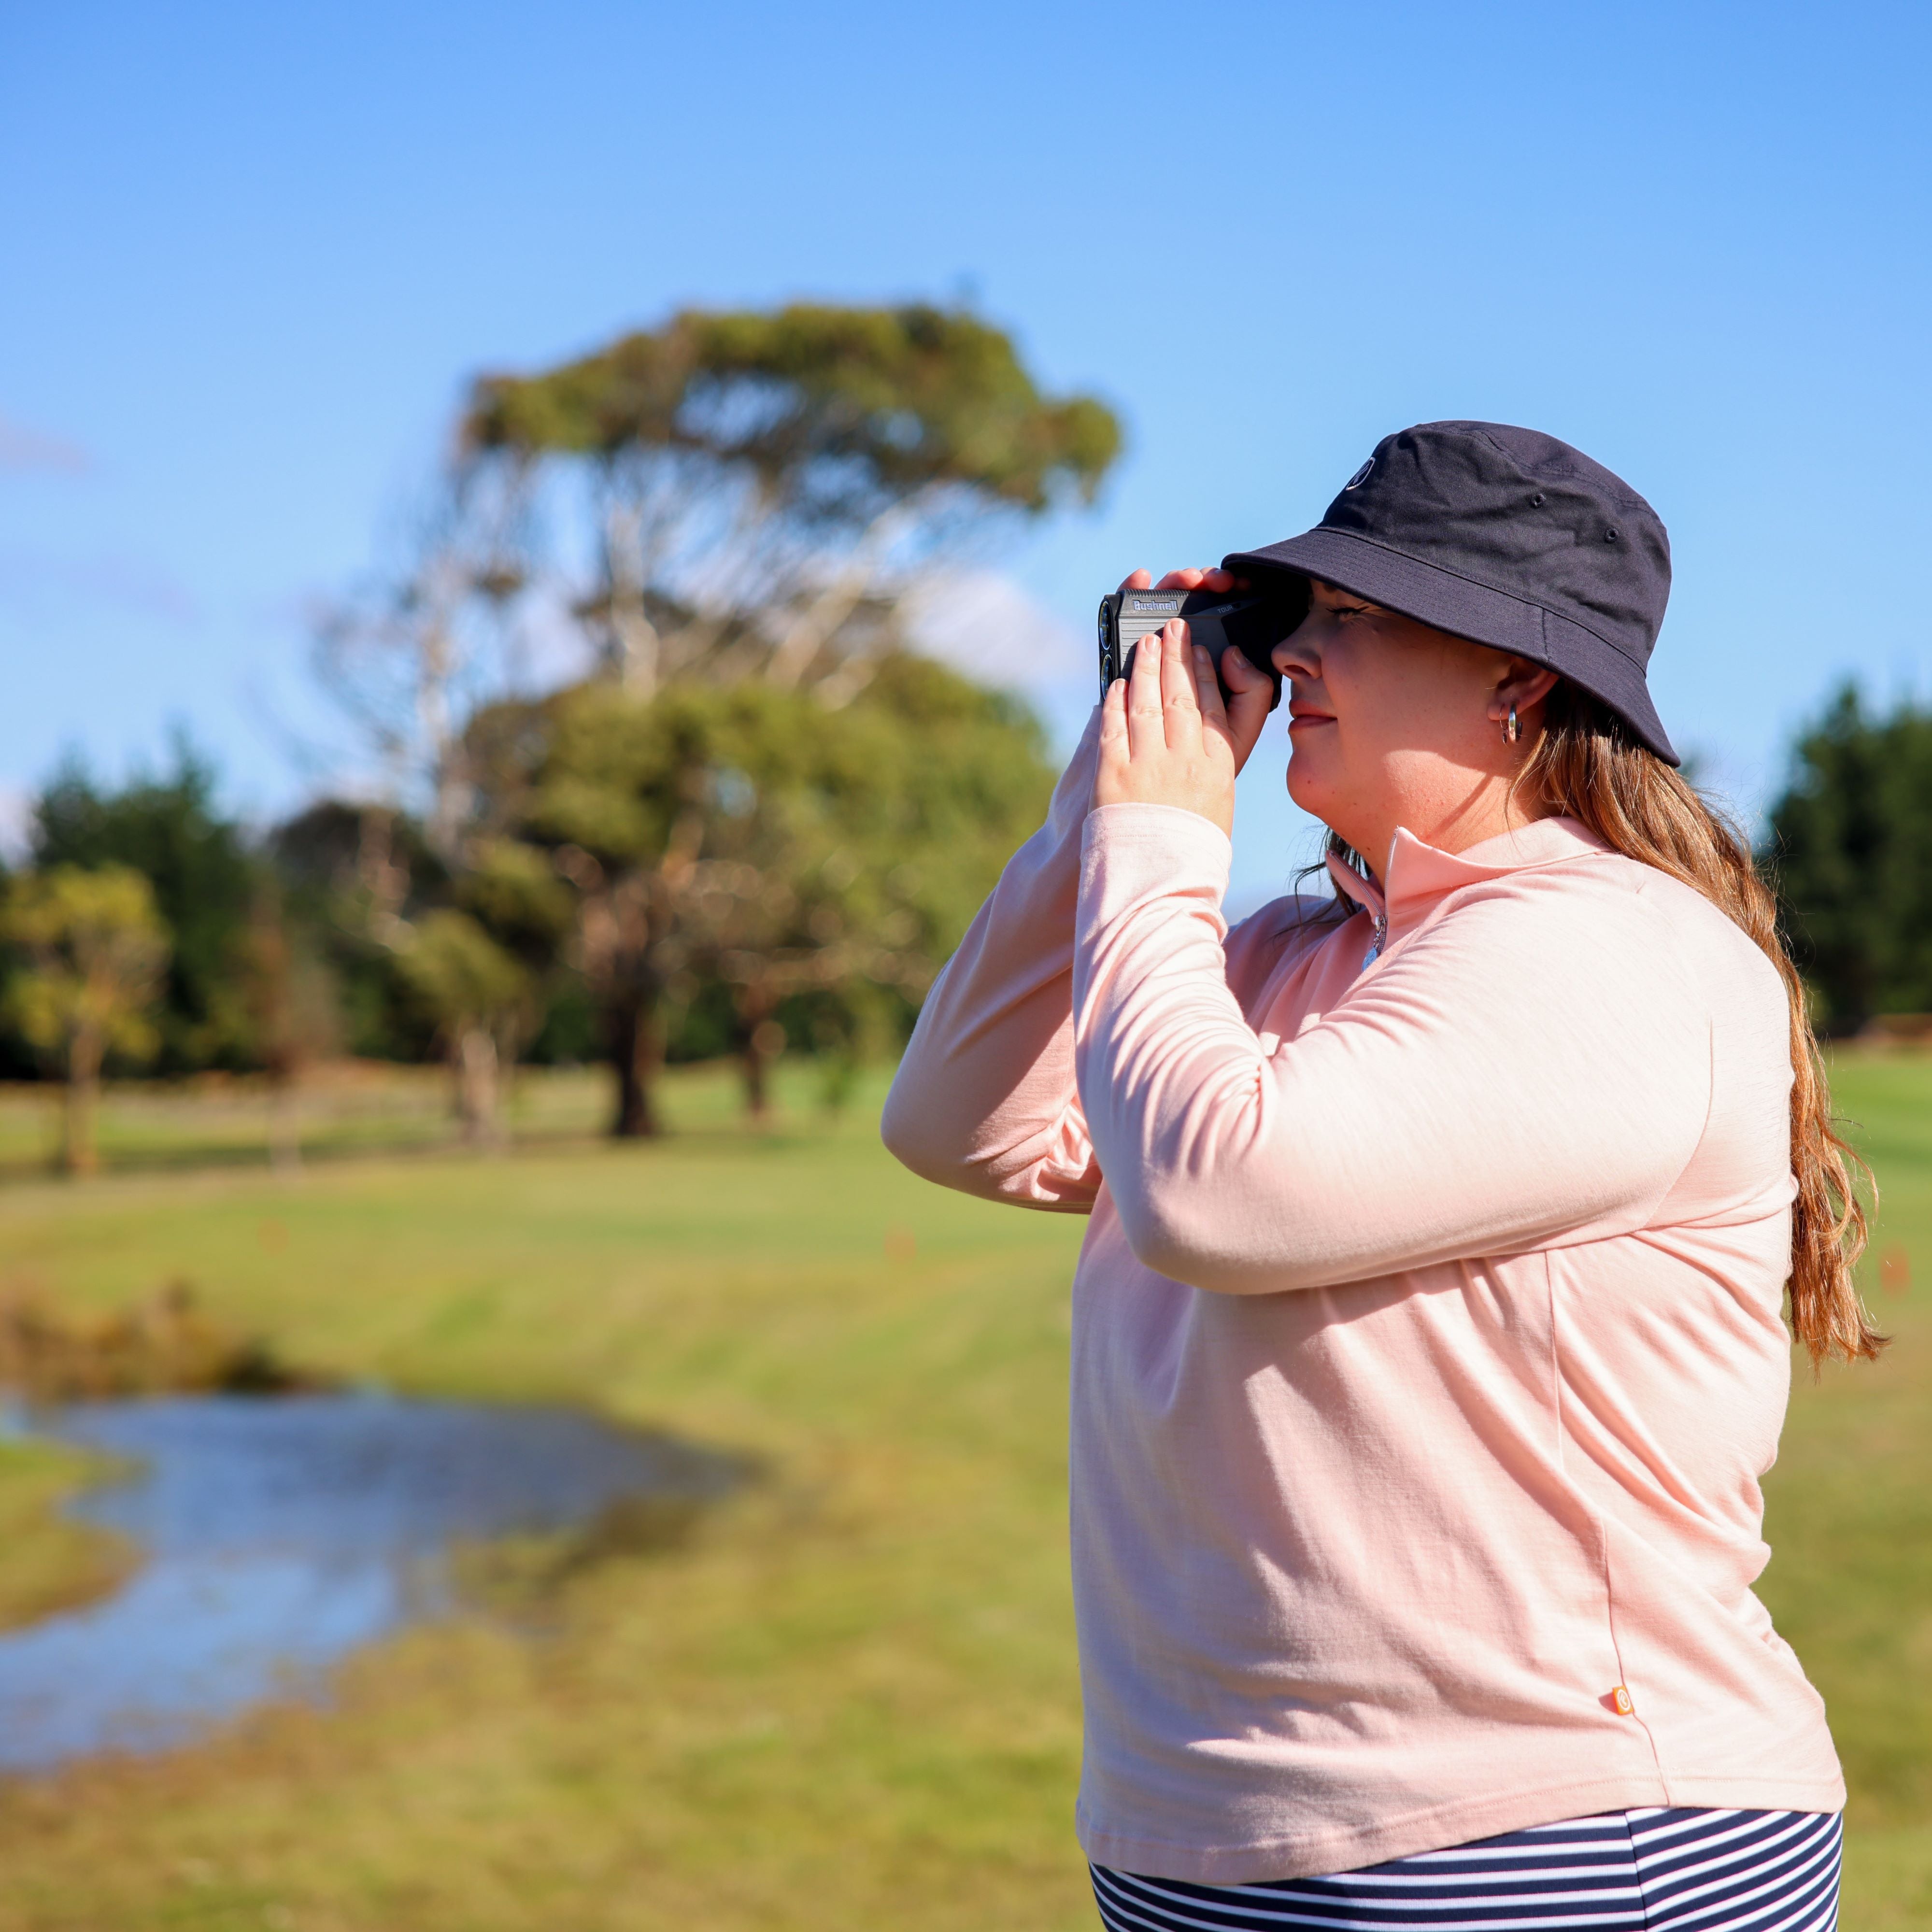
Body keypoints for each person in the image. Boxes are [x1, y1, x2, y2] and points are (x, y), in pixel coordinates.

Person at [881, 422, 1878, 1932]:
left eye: (1354, 617)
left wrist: (1164, 837)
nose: (1297, 660)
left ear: (1520, 678)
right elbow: (961, 1117)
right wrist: (1089, 818)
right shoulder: (1297, 955)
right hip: (1216, 1836)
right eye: (1295, 618)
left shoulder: (1607, 944)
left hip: (1545, 1836)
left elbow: (1214, 1190)